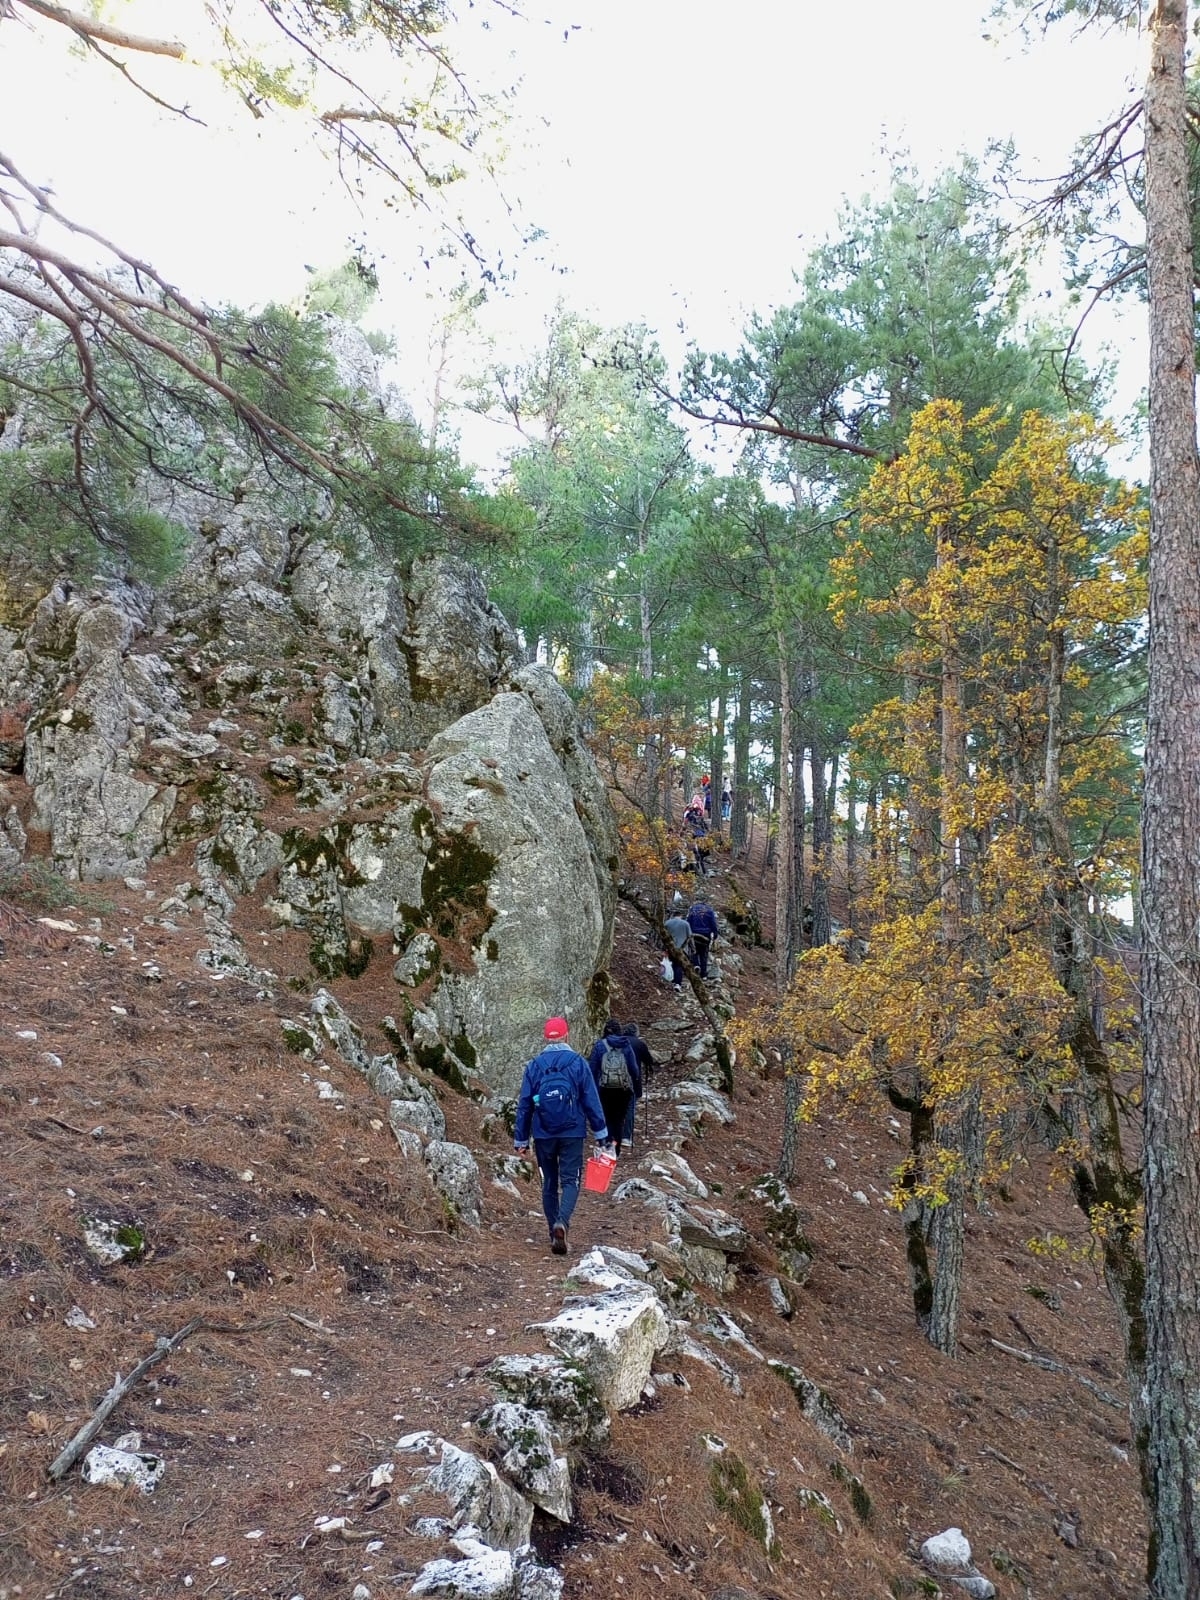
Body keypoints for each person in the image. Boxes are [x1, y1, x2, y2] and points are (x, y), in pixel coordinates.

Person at [514, 1018, 610, 1255]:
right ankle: (562, 1223)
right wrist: (601, 1133)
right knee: (570, 1180)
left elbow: (525, 1104)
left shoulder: (534, 1066)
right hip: (572, 1132)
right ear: (567, 1036)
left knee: (548, 1182)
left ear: (545, 1038)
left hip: (543, 1134)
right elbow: (591, 1099)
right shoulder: (577, 1062)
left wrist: (521, 1140)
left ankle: (553, 1233)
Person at [587, 1020, 642, 1158]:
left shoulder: (599, 1046)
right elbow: (634, 1069)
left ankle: (606, 1145)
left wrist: (594, 1088)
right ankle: (615, 1151)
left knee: (606, 1118)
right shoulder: (626, 1044)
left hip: (604, 1089)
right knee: (619, 1120)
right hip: (623, 1090)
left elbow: (592, 1069)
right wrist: (634, 1079)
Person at [620, 1023, 657, 1151]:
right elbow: (649, 1061)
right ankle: (626, 1137)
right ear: (636, 1033)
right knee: (630, 1108)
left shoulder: (616, 1042)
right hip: (632, 1081)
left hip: (613, 1081)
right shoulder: (639, 1044)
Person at [686, 892, 719, 979]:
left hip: (694, 933)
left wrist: (688, 933)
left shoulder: (692, 909)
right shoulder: (709, 910)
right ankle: (703, 974)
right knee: (704, 954)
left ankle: (696, 965)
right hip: (705, 935)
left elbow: (688, 921)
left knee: (694, 951)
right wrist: (715, 934)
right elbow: (713, 923)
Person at [664, 909, 693, 988]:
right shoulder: (685, 923)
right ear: (681, 916)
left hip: (669, 947)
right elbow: (690, 937)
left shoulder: (667, 923)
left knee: (670, 964)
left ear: (673, 915)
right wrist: (693, 948)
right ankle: (677, 984)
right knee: (679, 965)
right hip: (681, 948)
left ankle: (670, 981)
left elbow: (663, 935)